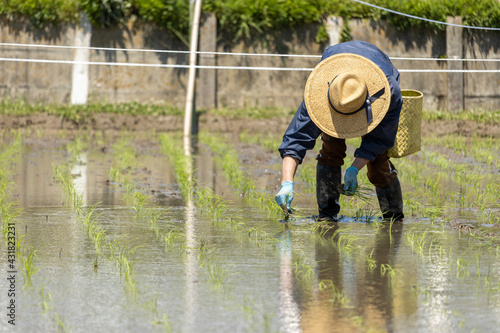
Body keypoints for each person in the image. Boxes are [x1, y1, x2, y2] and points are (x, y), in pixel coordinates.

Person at [275, 40, 404, 222]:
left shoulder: (388, 92)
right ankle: (327, 216)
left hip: (377, 74)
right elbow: (295, 139)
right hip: (335, 65)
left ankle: (394, 219)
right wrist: (286, 182)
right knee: (331, 148)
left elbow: (379, 141)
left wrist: (353, 169)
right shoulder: (318, 94)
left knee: (378, 163)